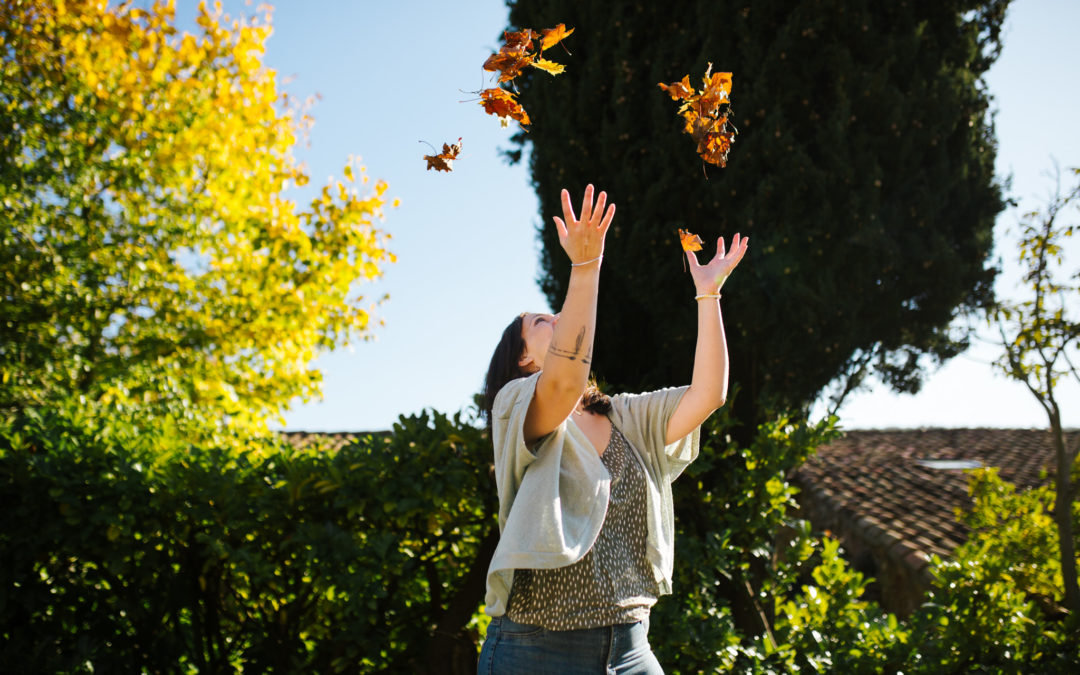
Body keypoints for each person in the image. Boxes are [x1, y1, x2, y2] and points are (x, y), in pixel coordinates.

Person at [477, 184, 748, 674]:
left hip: (630, 649)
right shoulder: (514, 405)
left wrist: (708, 295)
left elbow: (707, 395)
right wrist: (585, 267)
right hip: (539, 650)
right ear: (523, 358)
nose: (558, 317)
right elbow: (561, 384)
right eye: (542, 320)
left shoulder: (624, 417)